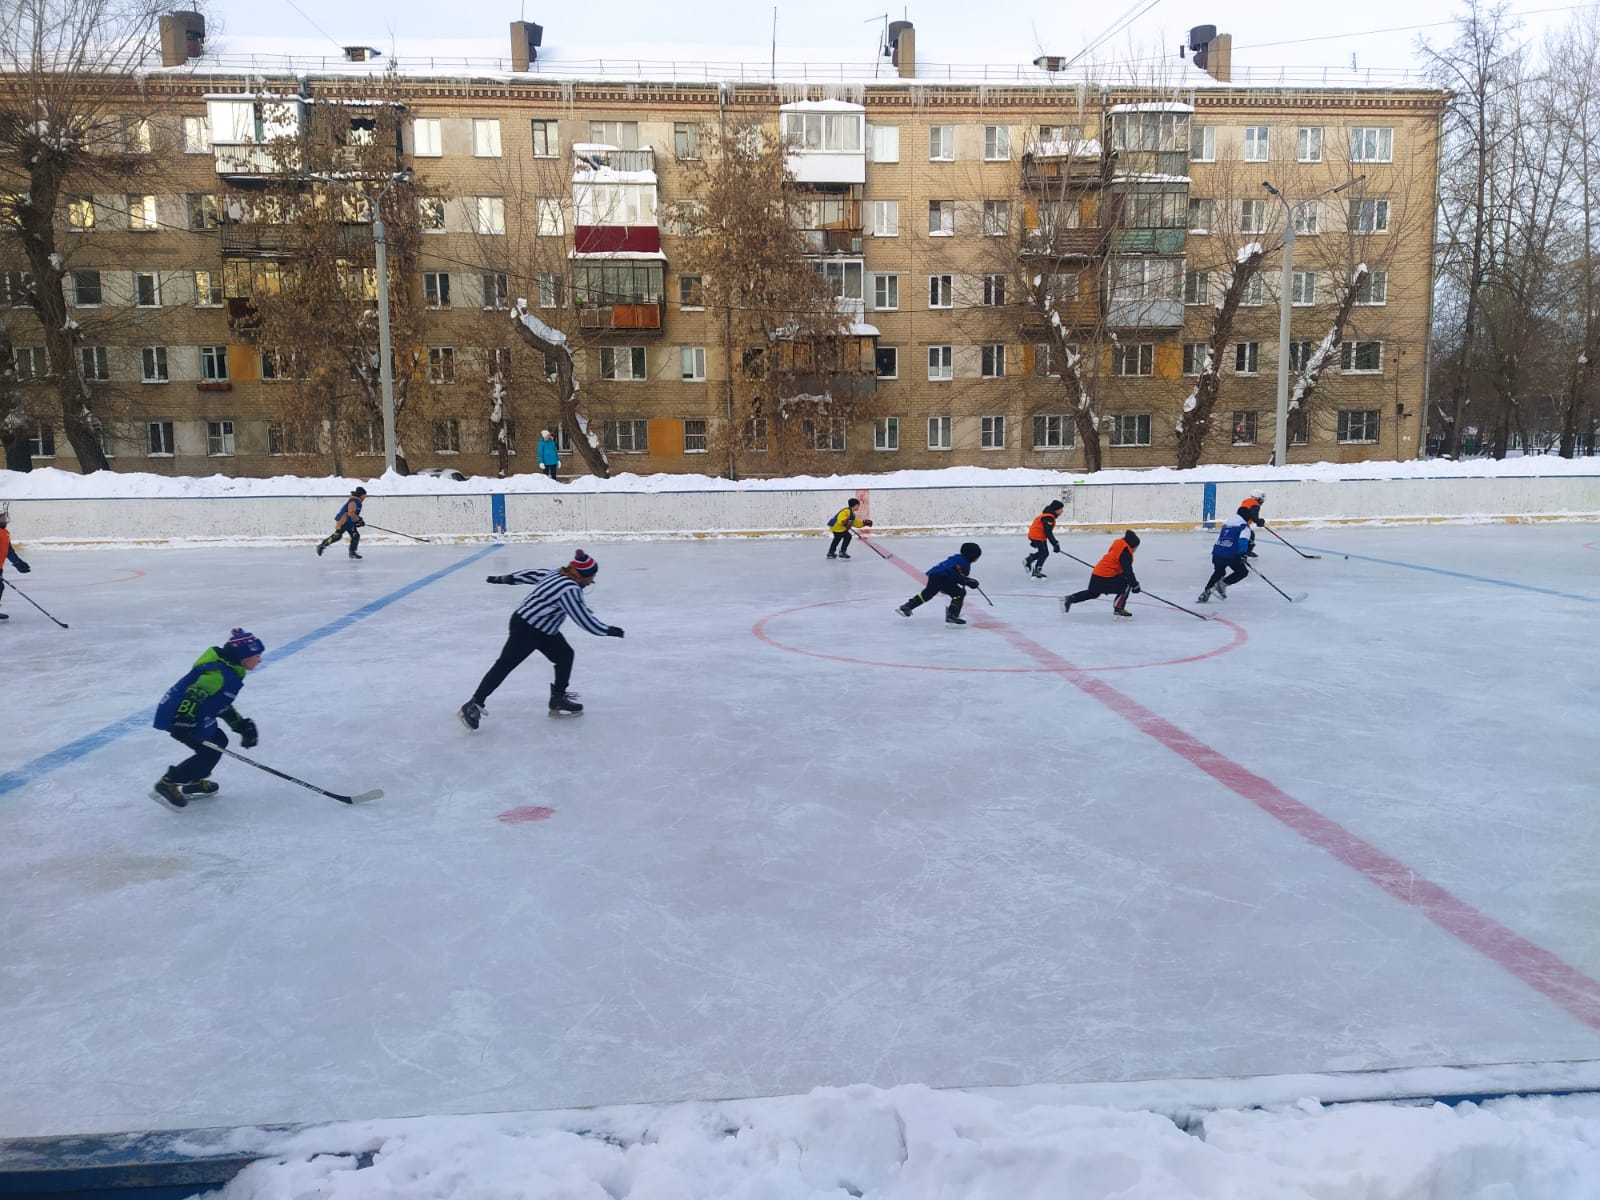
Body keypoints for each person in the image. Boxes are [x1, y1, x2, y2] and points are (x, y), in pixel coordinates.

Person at [458, 549, 624, 728]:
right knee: (505, 664)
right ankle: (473, 704)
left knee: (565, 656)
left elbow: (529, 574)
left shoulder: (556, 573)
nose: (593, 579)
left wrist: (504, 579)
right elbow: (584, 621)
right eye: (592, 576)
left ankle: (558, 699)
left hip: (545, 630)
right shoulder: (570, 590)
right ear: (582, 576)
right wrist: (610, 630)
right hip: (527, 628)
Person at [150, 628, 264, 811]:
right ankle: (168, 783)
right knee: (209, 752)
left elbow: (219, 701)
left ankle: (193, 779)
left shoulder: (231, 669)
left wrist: (239, 725)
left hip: (198, 715)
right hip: (181, 717)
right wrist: (183, 719)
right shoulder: (218, 673)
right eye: (257, 655)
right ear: (243, 656)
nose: (260, 660)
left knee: (218, 741)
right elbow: (194, 694)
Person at [896, 542, 982, 626]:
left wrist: (967, 581)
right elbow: (958, 577)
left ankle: (907, 606)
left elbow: (954, 573)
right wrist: (968, 582)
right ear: (972, 556)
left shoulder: (956, 558)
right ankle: (952, 615)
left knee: (928, 594)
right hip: (943, 577)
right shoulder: (965, 564)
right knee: (959, 594)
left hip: (935, 575)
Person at [1061, 530, 1141, 618]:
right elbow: (1128, 571)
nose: (1136, 550)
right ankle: (1119, 608)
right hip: (1106, 575)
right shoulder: (1125, 552)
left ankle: (1069, 599)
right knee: (1127, 584)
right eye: (1136, 547)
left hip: (1098, 572)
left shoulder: (1119, 545)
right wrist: (1134, 585)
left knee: (1093, 593)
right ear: (1132, 545)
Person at [1198, 512, 1254, 603]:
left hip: (1217, 552)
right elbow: (1243, 542)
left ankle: (1206, 593)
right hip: (1230, 554)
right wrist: (1243, 555)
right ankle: (1223, 584)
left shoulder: (1226, 526)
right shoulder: (1244, 528)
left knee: (1219, 572)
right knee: (1242, 572)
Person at [0, 505, 32, 622]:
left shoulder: (5, 532)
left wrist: (18, 563)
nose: (4, 519)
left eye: (4, 516)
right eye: (2, 517)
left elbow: (8, 550)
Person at [316, 487, 368, 559]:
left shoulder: (357, 501)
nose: (365, 497)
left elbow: (353, 514)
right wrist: (359, 520)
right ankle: (321, 546)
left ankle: (352, 552)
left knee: (355, 535)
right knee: (337, 536)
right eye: (364, 496)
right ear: (361, 495)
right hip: (343, 521)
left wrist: (358, 521)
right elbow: (351, 513)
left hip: (349, 522)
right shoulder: (354, 501)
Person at [1023, 500, 1065, 579]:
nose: (1062, 511)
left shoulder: (1047, 515)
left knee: (1043, 552)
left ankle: (1029, 559)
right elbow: (1048, 532)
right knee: (1044, 553)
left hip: (1036, 535)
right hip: (1038, 536)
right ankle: (1036, 571)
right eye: (1061, 509)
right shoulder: (1049, 517)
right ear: (1056, 509)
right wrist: (1055, 544)